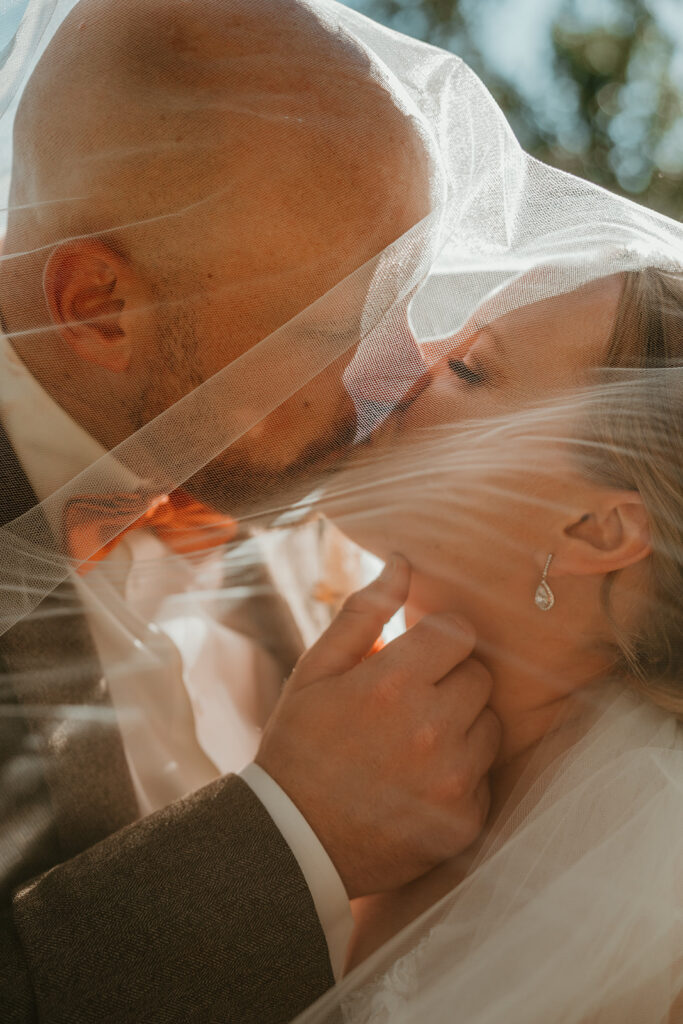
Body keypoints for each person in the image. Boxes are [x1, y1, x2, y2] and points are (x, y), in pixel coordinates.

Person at [0, 2, 503, 1022]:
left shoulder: (297, 513)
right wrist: (293, 834)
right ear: (99, 308)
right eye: (336, 326)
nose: (406, 373)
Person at [303, 266, 683, 1020]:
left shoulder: (647, 900)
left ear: (594, 530)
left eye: (471, 368)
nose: (407, 362)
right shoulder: (347, 720)